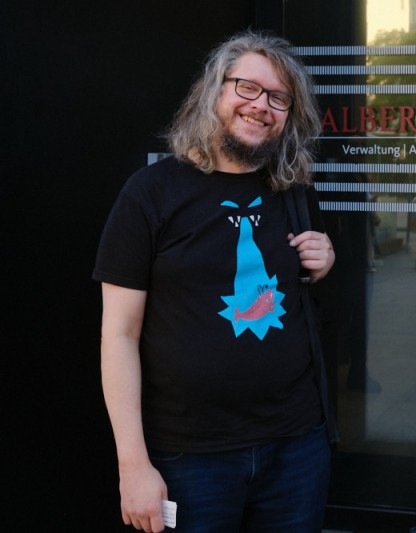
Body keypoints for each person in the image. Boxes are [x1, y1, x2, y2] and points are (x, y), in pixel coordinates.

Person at [93, 30, 335, 532]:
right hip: (189, 458)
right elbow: (119, 334)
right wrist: (132, 465)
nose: (261, 105)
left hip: (295, 449)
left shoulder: (292, 190)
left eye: (278, 97)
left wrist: (323, 261)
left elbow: (299, 290)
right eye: (246, 87)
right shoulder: (151, 193)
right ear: (214, 92)